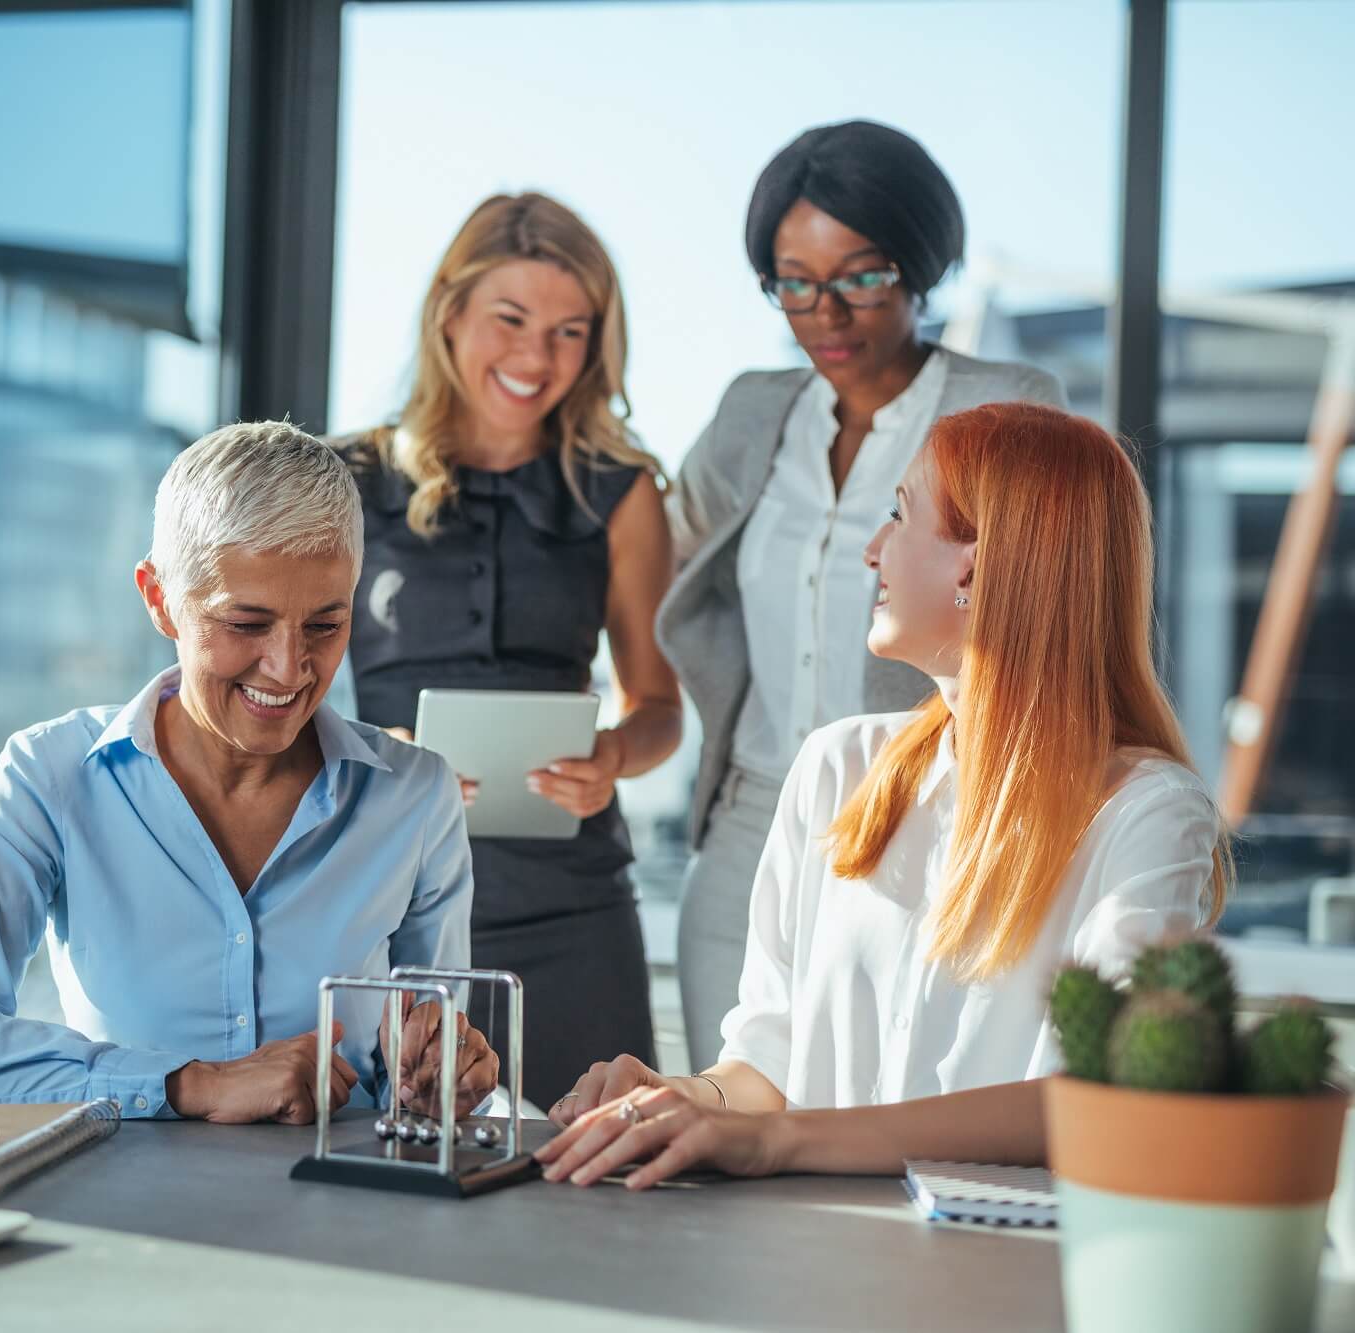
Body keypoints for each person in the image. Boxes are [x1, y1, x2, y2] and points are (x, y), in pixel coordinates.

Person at [540, 401, 1230, 1187]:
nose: (873, 551)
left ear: (974, 565)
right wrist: (678, 1097)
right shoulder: (836, 768)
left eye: (898, 516)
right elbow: (763, 1071)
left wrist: (778, 1141)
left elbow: (1105, 1095)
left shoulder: (1147, 811)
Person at [0, 421, 497, 1122]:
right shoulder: (48, 775)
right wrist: (191, 1084)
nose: (288, 667)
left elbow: (424, 1073)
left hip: (339, 1214)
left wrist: (434, 1084)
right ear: (158, 598)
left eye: (324, 625)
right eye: (246, 623)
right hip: (115, 1210)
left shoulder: (415, 797)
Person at [660, 120, 1069, 1069]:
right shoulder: (752, 414)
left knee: (888, 1121)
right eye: (793, 282)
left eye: (862, 275)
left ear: (921, 267)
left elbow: (1069, 611)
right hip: (751, 826)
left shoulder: (1008, 404)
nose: (827, 314)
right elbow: (665, 554)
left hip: (932, 818)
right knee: (730, 1109)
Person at [335, 192, 683, 1108]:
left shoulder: (623, 491)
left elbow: (659, 706)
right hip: (385, 899)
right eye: (512, 319)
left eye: (571, 331)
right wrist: (381, 760)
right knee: (394, 1181)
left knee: (601, 1180)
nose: (538, 357)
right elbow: (272, 697)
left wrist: (611, 756)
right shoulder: (344, 479)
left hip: (574, 907)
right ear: (449, 313)